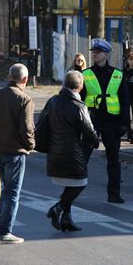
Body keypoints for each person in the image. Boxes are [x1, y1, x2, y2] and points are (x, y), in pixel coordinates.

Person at [0, 63, 35, 245]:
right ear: (25, 79)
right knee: (12, 193)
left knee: (5, 189)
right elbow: (26, 129)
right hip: (15, 152)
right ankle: (4, 232)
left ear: (9, 77)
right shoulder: (25, 99)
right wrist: (31, 145)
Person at [45, 71, 99, 232]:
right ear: (80, 86)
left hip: (54, 150)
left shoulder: (53, 101)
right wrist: (96, 142)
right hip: (73, 152)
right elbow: (89, 130)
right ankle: (58, 208)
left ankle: (67, 218)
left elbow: (42, 123)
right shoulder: (79, 106)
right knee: (80, 183)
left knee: (70, 184)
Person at [80, 38, 130, 203]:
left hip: (111, 121)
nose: (95, 54)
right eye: (93, 52)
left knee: (113, 159)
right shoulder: (85, 74)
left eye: (98, 52)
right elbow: (79, 100)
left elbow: (124, 100)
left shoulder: (118, 74)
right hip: (91, 121)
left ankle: (114, 194)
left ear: (106, 54)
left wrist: (124, 123)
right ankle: (73, 191)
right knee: (82, 158)